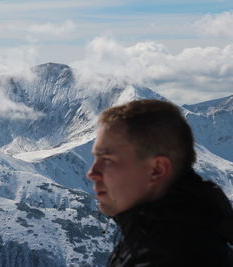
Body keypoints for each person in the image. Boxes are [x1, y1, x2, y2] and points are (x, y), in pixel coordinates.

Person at [87, 99, 233, 267]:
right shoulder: (177, 229)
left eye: (107, 159)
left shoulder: (169, 254)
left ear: (157, 169)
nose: (92, 173)